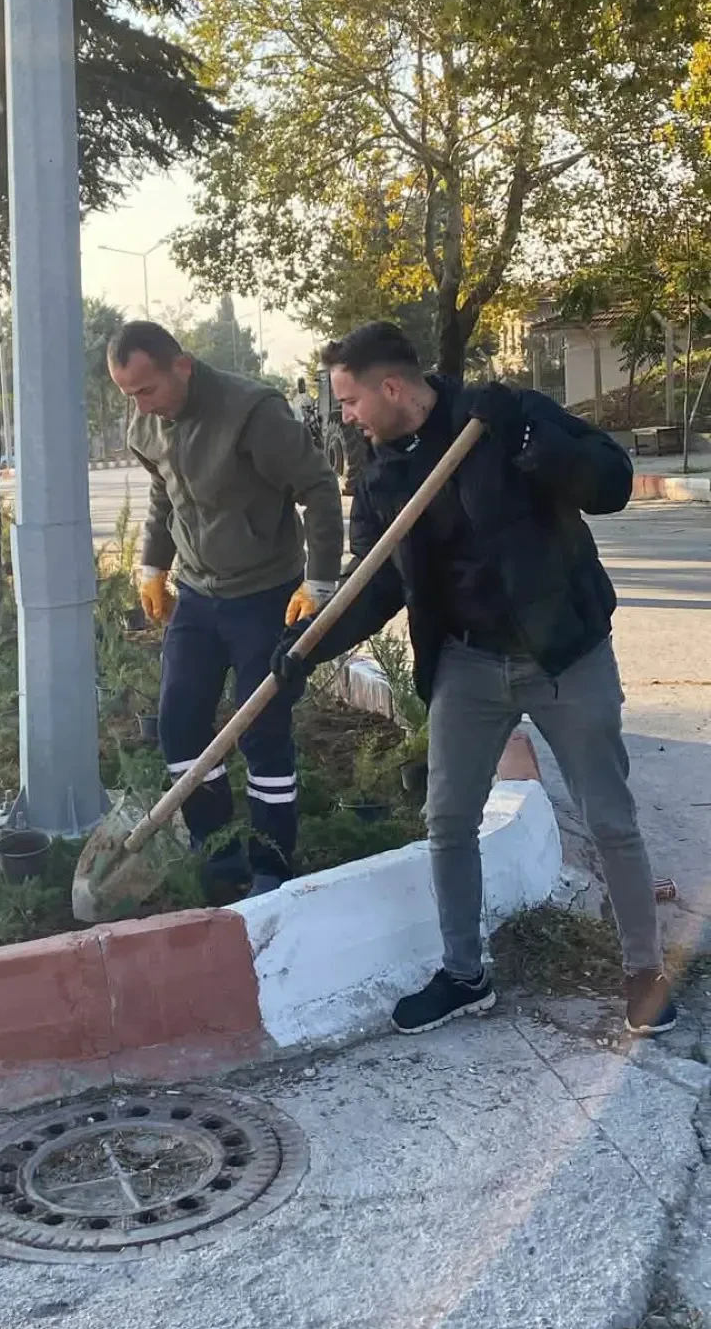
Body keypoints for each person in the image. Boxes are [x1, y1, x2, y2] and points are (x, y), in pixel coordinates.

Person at [270, 321, 676, 1038]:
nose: (348, 417)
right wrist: (309, 645)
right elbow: (374, 586)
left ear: (390, 387)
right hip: (466, 663)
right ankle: (465, 974)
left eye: (351, 401)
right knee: (448, 820)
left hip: (565, 657)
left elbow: (610, 481)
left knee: (610, 817)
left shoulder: (503, 414)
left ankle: (643, 972)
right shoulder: (379, 476)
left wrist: (531, 443)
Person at [110, 320, 343, 898]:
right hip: (197, 597)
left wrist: (319, 582)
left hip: (266, 595)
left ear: (181, 367)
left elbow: (317, 489)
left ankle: (271, 864)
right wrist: (152, 566)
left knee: (262, 731)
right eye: (128, 394)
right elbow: (165, 494)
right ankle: (217, 855)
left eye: (147, 389)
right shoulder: (147, 422)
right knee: (180, 726)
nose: (141, 405)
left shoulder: (252, 412)